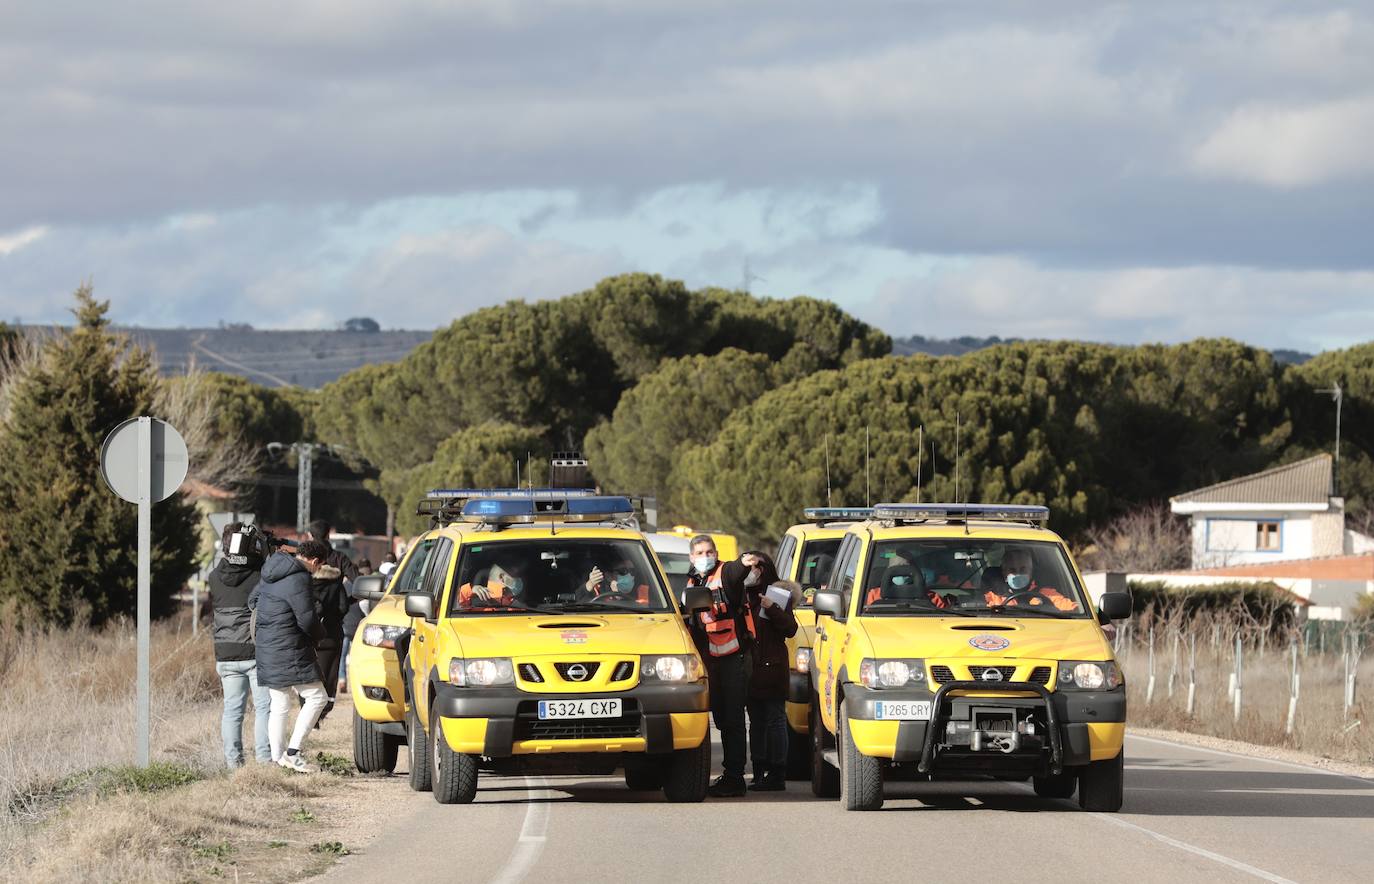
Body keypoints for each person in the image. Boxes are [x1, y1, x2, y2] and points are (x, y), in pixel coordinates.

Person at [250, 538, 333, 772]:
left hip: (267, 646)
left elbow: (252, 601)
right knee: (318, 697)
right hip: (290, 646)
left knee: (279, 704)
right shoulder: (300, 577)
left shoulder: (271, 569)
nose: (317, 572)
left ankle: (278, 760)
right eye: (319, 567)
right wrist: (320, 634)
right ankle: (293, 752)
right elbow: (306, 619)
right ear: (315, 561)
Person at [684, 535, 755, 798]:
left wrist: (745, 561)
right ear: (692, 557)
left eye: (709, 551)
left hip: (733, 658)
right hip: (709, 661)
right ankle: (729, 774)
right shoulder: (693, 580)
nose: (705, 556)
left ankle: (736, 777)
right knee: (722, 719)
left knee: (734, 719)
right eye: (700, 552)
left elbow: (737, 571)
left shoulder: (726, 573)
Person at [207, 522, 271, 768]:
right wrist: (265, 554)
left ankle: (234, 765)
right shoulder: (259, 576)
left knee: (232, 711)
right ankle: (265, 761)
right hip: (255, 651)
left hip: (226, 652)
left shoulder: (214, 578)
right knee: (265, 708)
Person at [740, 551, 799, 792]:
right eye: (749, 567)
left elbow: (790, 629)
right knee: (756, 723)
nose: (753, 572)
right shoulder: (741, 594)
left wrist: (772, 607)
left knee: (775, 721)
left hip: (771, 669)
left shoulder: (777, 594)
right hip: (750, 670)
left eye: (758, 567)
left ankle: (777, 773)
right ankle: (758, 773)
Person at [305, 520, 359, 715]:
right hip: (333, 626)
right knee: (330, 671)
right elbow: (360, 584)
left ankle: (308, 709)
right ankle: (323, 708)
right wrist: (345, 601)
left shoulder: (304, 559)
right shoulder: (339, 558)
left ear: (310, 536)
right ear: (328, 535)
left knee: (307, 671)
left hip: (306, 625)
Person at [982, 546, 1078, 612]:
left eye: (1023, 569)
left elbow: (1075, 610)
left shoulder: (1046, 594)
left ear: (1031, 571)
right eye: (1012, 570)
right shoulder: (993, 597)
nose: (1018, 573)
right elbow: (979, 614)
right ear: (1004, 573)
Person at [458, 555, 530, 608]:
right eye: (516, 574)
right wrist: (471, 590)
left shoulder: (519, 606)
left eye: (521, 574)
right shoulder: (476, 602)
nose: (520, 578)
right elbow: (456, 601)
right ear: (501, 577)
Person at [580, 552, 649, 605]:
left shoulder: (644, 590)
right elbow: (578, 603)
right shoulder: (597, 591)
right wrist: (589, 585)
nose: (629, 575)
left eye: (632, 571)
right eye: (623, 571)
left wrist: (621, 598)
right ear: (608, 576)